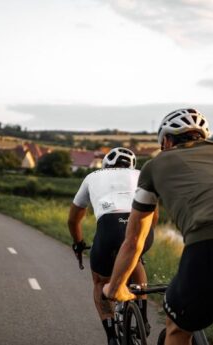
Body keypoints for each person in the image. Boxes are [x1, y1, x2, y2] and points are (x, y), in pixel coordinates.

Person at [103, 109, 213, 345]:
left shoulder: (155, 164)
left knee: (177, 329)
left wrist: (115, 287)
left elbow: (134, 241)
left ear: (167, 141)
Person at [68, 147, 157, 345]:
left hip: (109, 227)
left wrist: (79, 243)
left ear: (106, 164)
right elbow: (154, 213)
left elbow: (74, 219)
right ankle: (143, 316)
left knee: (100, 283)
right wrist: (144, 239)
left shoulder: (93, 176)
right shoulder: (141, 174)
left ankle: (111, 337)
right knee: (135, 258)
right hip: (142, 226)